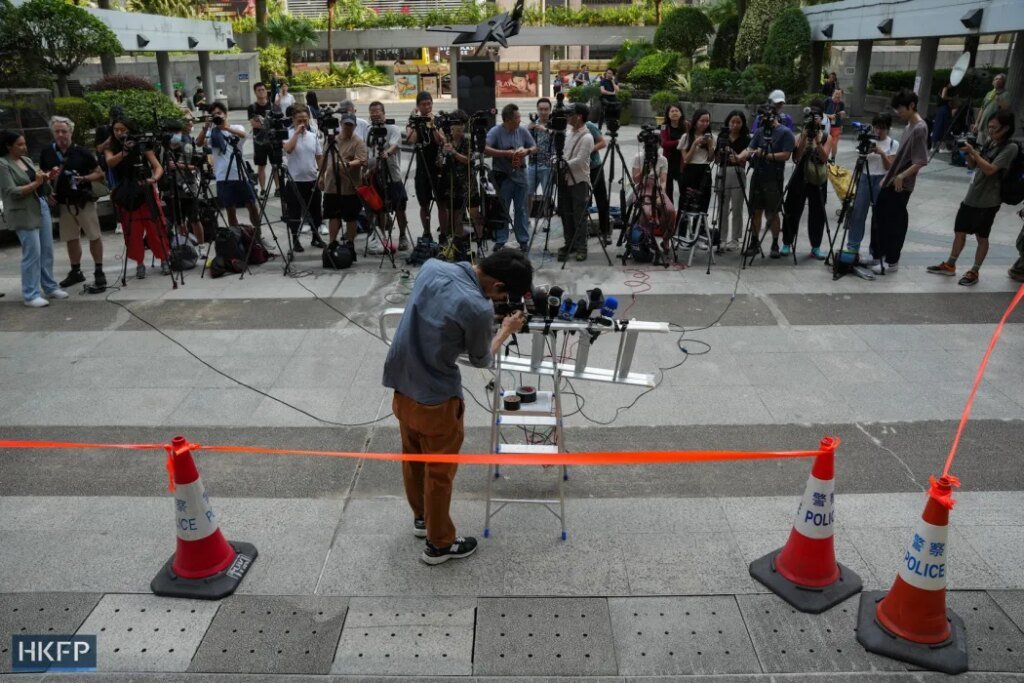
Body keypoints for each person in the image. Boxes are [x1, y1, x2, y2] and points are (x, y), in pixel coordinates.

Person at [382, 249, 532, 564]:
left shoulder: (432, 266)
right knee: (440, 472)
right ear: (497, 286)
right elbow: (481, 359)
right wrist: (506, 329)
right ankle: (439, 545)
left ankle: (422, 519)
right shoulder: (478, 307)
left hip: (401, 382)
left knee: (412, 457)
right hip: (436, 397)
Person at [927, 111, 1016, 287]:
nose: (990, 131)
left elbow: (991, 170)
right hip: (972, 195)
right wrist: (967, 153)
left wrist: (974, 152)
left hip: (989, 200)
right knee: (959, 230)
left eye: (994, 128)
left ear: (1006, 128)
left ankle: (974, 270)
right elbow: (972, 165)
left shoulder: (1009, 148)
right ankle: (950, 265)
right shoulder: (991, 142)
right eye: (989, 127)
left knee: (981, 237)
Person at [0, 130, 67, 307]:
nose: (24, 147)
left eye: (24, 143)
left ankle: (49, 286)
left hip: (40, 206)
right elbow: (11, 192)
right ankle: (30, 294)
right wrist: (36, 183)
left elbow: (39, 185)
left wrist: (47, 179)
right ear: (8, 146)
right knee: (32, 253)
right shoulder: (3, 164)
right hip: (22, 212)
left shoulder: (27, 160)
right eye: (19, 145)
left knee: (47, 250)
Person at [867, 88, 930, 275]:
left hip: (901, 185)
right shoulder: (910, 126)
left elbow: (921, 160)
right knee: (880, 217)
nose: (898, 112)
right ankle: (879, 256)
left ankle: (892, 261)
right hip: (892, 181)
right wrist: (888, 178)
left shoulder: (919, 128)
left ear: (911, 106)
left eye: (900, 109)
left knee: (894, 223)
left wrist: (902, 176)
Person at [41, 115, 107, 290]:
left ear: (71, 132)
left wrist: (83, 178)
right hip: (63, 203)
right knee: (70, 238)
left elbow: (99, 174)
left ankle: (99, 270)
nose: (61, 135)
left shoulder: (82, 152)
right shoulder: (47, 152)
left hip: (83, 200)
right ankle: (76, 271)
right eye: (57, 132)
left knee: (94, 235)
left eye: (64, 131)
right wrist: (48, 191)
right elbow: (41, 175)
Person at [105, 118, 171, 278]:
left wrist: (154, 179)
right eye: (116, 130)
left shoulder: (141, 145)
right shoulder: (111, 146)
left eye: (122, 129)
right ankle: (139, 263)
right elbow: (110, 163)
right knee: (132, 230)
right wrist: (125, 151)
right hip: (126, 192)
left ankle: (164, 259)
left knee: (155, 227)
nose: (119, 132)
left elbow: (157, 166)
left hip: (145, 189)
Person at [732, 107, 796, 257]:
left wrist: (767, 155)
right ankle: (754, 242)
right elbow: (750, 148)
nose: (765, 120)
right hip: (758, 175)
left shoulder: (785, 132)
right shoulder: (760, 131)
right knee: (755, 211)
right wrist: (739, 157)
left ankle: (775, 244)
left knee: (773, 213)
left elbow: (786, 155)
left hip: (774, 177)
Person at [196, 101, 261, 227]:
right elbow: (199, 143)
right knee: (230, 210)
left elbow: (244, 135)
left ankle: (257, 235)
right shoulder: (212, 133)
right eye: (214, 114)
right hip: (222, 177)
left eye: (219, 113)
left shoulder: (236, 128)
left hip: (240, 174)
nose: (217, 116)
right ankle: (236, 237)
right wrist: (206, 127)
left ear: (225, 114)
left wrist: (224, 127)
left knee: (252, 206)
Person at [781, 102, 832, 259]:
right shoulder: (800, 135)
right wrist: (803, 136)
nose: (814, 121)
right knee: (792, 208)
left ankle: (815, 246)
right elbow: (796, 157)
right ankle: (787, 243)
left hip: (818, 176)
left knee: (818, 211)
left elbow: (824, 158)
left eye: (816, 118)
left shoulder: (826, 137)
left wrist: (817, 141)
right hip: (801, 174)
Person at [485, 103, 537, 251]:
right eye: (517, 117)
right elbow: (485, 148)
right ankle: (501, 239)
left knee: (521, 208)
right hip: (503, 176)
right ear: (508, 119)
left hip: (521, 176)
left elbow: (534, 147)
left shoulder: (522, 131)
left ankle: (523, 240)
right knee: (503, 208)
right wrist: (504, 153)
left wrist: (526, 151)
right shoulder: (496, 131)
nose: (520, 119)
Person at [846, 114, 897, 259]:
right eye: (876, 127)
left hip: (881, 179)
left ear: (888, 128)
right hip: (864, 177)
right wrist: (866, 150)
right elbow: (859, 159)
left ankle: (876, 250)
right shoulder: (867, 139)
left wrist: (881, 153)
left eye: (882, 128)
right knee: (858, 213)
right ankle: (852, 247)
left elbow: (889, 167)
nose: (878, 131)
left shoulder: (893, 144)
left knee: (879, 215)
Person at [159, 118, 210, 257]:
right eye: (171, 132)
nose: (174, 135)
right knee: (178, 220)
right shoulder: (164, 148)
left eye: (176, 132)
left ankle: (202, 246)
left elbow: (195, 167)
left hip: (188, 186)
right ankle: (186, 244)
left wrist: (178, 166)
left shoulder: (186, 146)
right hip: (171, 187)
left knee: (194, 218)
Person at [436, 110, 485, 252]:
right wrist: (444, 154)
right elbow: (438, 163)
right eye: (455, 124)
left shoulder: (469, 140)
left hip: (468, 184)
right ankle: (458, 243)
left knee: (475, 214)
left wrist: (454, 153)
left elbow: (469, 160)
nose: (458, 127)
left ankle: (480, 241)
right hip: (452, 184)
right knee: (456, 216)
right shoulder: (446, 141)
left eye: (461, 124)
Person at [318, 113, 367, 256]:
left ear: (355, 126)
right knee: (333, 215)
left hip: (349, 186)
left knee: (350, 216)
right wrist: (321, 176)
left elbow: (362, 160)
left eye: (351, 125)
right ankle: (332, 242)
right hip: (331, 185)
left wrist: (346, 164)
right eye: (345, 124)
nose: (348, 127)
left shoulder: (358, 142)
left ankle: (350, 242)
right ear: (341, 124)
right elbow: (324, 158)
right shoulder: (332, 140)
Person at [365, 101, 411, 251]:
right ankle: (382, 237)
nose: (375, 114)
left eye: (378, 111)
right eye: (372, 111)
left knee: (399, 206)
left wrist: (387, 153)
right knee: (379, 208)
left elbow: (394, 144)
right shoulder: (369, 130)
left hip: (392, 174)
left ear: (384, 112)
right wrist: (368, 167)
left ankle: (403, 236)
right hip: (376, 173)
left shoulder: (392, 128)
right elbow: (369, 150)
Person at [282, 103, 326, 254]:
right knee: (294, 212)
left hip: (311, 179)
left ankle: (316, 237)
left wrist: (322, 175)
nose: (302, 123)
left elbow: (319, 157)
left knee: (316, 211)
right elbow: (288, 149)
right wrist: (296, 133)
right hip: (295, 181)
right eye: (299, 120)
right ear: (293, 120)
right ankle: (295, 239)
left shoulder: (313, 136)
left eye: (305, 120)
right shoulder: (287, 134)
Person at [557, 103, 596, 261]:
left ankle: (581, 247)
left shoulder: (587, 136)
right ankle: (569, 243)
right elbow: (562, 153)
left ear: (579, 116)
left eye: (570, 114)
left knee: (579, 215)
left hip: (579, 180)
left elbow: (580, 160)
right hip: (564, 179)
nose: (567, 116)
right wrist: (557, 160)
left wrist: (563, 164)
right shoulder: (568, 132)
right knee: (565, 212)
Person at [631, 136, 677, 256]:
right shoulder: (638, 157)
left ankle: (666, 239)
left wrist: (660, 192)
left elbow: (663, 180)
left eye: (656, 144)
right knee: (646, 212)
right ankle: (644, 239)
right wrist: (646, 168)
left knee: (670, 210)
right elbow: (635, 180)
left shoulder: (663, 159)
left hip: (657, 188)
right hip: (642, 187)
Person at [406, 91, 443, 241]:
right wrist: (414, 122)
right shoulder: (413, 122)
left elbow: (440, 140)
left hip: (438, 167)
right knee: (424, 204)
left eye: (429, 103)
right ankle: (426, 233)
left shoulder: (438, 120)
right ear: (418, 106)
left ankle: (444, 234)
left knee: (442, 203)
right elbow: (411, 140)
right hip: (422, 169)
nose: (427, 107)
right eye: (423, 104)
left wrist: (432, 124)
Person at [719, 110, 750, 251]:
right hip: (723, 171)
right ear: (728, 122)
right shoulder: (722, 136)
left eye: (738, 122)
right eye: (733, 122)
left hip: (738, 171)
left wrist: (736, 156)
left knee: (737, 207)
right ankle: (722, 237)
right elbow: (716, 158)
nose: (735, 125)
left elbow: (746, 159)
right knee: (722, 207)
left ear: (742, 124)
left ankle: (735, 238)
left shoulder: (746, 138)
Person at [677, 109, 714, 215]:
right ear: (696, 121)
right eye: (702, 121)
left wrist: (710, 146)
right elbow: (686, 159)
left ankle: (699, 229)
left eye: (707, 121)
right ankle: (682, 229)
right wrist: (694, 144)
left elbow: (711, 159)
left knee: (703, 202)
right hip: (690, 170)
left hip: (704, 170)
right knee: (685, 202)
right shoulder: (686, 137)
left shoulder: (711, 137)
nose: (705, 124)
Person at [248, 82, 281, 196]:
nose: (261, 92)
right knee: (261, 165)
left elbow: (276, 122)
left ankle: (278, 187)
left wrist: (263, 122)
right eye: (259, 90)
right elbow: (254, 124)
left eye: (263, 89)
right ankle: (263, 189)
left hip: (273, 140)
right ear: (255, 92)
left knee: (275, 165)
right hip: (259, 141)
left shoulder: (273, 106)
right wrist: (268, 123)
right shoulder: (252, 107)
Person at [584, 114, 611, 240]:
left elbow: (602, 142)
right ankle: (583, 230)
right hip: (579, 169)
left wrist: (589, 150)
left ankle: (605, 231)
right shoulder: (569, 129)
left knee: (601, 200)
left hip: (594, 167)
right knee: (582, 200)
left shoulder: (589, 126)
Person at [526, 97, 554, 220]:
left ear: (550, 110)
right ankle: (526, 218)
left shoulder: (554, 124)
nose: (543, 112)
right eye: (541, 109)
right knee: (528, 194)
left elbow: (561, 135)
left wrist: (545, 129)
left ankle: (547, 220)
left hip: (548, 166)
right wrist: (527, 130)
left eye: (546, 109)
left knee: (547, 195)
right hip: (532, 165)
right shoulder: (532, 124)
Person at [660, 102, 688, 205]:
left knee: (684, 191)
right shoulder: (664, 127)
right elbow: (665, 144)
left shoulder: (687, 125)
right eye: (672, 111)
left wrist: (677, 142)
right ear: (668, 114)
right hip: (668, 163)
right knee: (668, 191)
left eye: (677, 111)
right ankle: (670, 214)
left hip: (682, 163)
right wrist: (680, 141)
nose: (674, 113)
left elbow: (690, 141)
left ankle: (681, 215)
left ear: (681, 113)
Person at [973, 73, 1010, 146]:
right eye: (996, 79)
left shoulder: (1006, 94)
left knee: (989, 148)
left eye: (1000, 79)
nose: (997, 80)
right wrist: (977, 123)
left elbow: (1006, 108)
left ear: (1003, 82)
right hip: (982, 126)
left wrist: (998, 98)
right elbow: (982, 108)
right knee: (979, 146)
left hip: (993, 128)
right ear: (993, 82)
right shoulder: (989, 93)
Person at [824, 88, 845, 163]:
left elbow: (842, 116)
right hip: (826, 125)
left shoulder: (841, 104)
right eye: (836, 94)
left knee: (834, 143)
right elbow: (821, 113)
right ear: (833, 93)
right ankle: (824, 157)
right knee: (825, 141)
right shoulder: (827, 101)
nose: (838, 97)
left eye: (839, 96)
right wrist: (829, 116)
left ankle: (833, 158)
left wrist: (842, 115)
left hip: (836, 126)